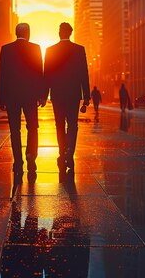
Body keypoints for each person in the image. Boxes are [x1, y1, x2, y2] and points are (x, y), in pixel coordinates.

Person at [0, 23, 46, 184]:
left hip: (12, 97)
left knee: (15, 130)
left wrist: (1, 98)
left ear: (16, 33)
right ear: (28, 33)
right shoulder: (35, 48)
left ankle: (18, 161)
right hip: (31, 96)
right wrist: (42, 95)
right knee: (33, 127)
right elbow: (40, 73)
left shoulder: (6, 49)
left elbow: (2, 75)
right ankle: (31, 156)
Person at [44, 22, 90, 178]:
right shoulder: (79, 50)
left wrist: (44, 95)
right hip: (73, 95)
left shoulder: (50, 50)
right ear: (70, 33)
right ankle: (70, 149)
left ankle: (62, 151)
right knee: (73, 124)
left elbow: (47, 75)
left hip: (57, 95)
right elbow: (84, 74)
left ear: (59, 33)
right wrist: (87, 97)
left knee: (59, 125)